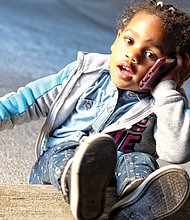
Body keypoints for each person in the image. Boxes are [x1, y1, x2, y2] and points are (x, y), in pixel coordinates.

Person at [1, 0, 190, 219]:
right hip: (59, 165)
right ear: (116, 40)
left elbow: (177, 152)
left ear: (168, 66)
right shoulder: (85, 74)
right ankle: (77, 182)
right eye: (129, 41)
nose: (134, 55)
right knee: (65, 151)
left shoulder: (167, 103)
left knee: (139, 160)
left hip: (119, 181)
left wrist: (167, 87)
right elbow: (30, 99)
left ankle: (135, 204)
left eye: (150, 55)